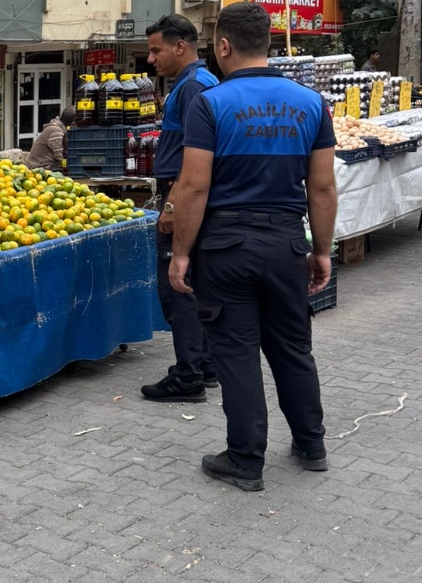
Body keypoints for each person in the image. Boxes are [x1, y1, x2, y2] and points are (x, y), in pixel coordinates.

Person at [166, 1, 336, 492]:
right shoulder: (311, 103)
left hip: (226, 248)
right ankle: (312, 444)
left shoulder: (210, 104)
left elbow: (194, 187)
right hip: (286, 243)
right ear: (268, 42)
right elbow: (322, 188)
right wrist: (322, 251)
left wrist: (181, 253)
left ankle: (245, 460)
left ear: (223, 46)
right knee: (293, 348)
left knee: (237, 353)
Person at [141, 14, 220, 403]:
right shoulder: (201, 82)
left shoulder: (192, 88)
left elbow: (195, 155)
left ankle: (188, 376)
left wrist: (172, 203)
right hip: (190, 196)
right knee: (195, 283)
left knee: (178, 286)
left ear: (180, 46)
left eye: (156, 50)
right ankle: (205, 365)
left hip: (182, 196)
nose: (151, 59)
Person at [26, 107, 75, 171]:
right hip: (40, 168)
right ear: (73, 123)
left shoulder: (60, 129)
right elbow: (62, 157)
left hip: (48, 166)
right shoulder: (56, 131)